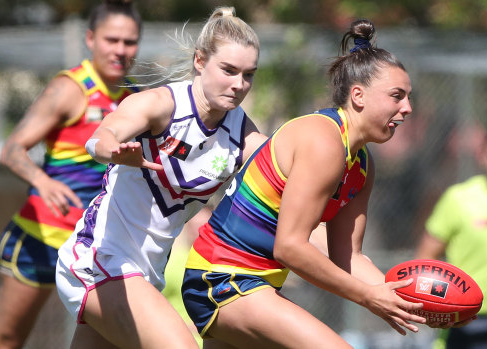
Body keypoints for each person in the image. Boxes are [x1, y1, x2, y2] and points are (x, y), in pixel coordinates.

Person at [180, 18, 432, 349]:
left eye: (408, 97)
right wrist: (369, 297)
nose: (407, 108)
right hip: (222, 279)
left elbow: (349, 256)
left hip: (258, 286)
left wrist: (411, 300)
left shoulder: (361, 164)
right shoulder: (323, 141)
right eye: (397, 96)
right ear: (358, 95)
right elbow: (290, 247)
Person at [55, 7, 266, 348]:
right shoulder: (161, 105)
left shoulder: (241, 132)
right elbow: (100, 137)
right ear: (200, 61)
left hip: (145, 276)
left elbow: (282, 171)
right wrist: (114, 150)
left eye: (248, 75)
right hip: (99, 259)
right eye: (228, 70)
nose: (239, 84)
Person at [0, 1, 142, 348]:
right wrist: (43, 181)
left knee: (111, 342)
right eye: (112, 40)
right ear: (90, 39)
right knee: (6, 341)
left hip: (96, 249)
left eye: (129, 42)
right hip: (41, 240)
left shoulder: (135, 99)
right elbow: (12, 150)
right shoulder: (70, 89)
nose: (120, 50)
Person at [415, 123, 487, 349]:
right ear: (483, 157)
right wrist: (440, 302)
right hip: (461, 320)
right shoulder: (458, 199)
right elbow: (424, 260)